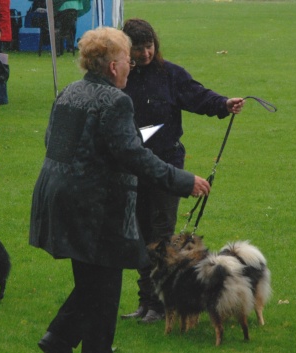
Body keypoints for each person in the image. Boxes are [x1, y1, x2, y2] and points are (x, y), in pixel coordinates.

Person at [29, 27, 211, 353]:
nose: (132, 66)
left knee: (93, 282)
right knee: (104, 286)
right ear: (113, 66)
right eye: (128, 59)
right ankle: (76, 343)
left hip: (57, 200)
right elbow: (134, 156)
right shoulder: (116, 101)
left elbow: (53, 143)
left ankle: (62, 340)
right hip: (96, 208)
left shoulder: (69, 91)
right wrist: (185, 180)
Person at [119, 18, 245, 323]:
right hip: (132, 168)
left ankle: (161, 305)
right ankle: (146, 302)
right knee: (138, 235)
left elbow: (197, 95)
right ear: (127, 50)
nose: (145, 53)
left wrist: (223, 104)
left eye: (149, 46)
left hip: (166, 167)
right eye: (138, 48)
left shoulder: (170, 74)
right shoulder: (121, 78)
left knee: (161, 238)